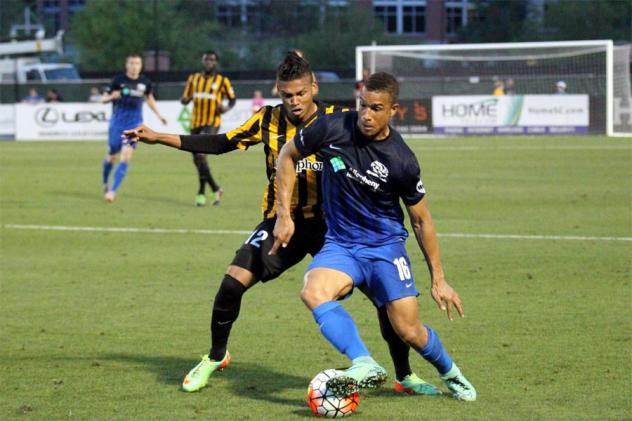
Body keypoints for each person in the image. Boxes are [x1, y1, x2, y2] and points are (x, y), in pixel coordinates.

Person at [123, 53, 438, 397]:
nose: (295, 102)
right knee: (231, 284)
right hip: (281, 224)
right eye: (288, 95)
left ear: (313, 88)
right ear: (279, 92)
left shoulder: (339, 120)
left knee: (385, 300)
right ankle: (216, 356)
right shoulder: (266, 120)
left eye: (301, 93)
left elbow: (381, 150)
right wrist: (160, 136)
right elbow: (221, 143)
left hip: (335, 229)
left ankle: (404, 374)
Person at [271, 72, 477, 401]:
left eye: (376, 108)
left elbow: (421, 220)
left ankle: (450, 372)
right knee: (313, 290)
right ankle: (363, 362)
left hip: (385, 248)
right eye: (363, 106)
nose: (366, 115)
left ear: (393, 109)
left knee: (409, 331)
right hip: (341, 245)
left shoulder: (402, 160)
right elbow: (287, 155)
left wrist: (439, 279)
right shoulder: (332, 127)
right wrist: (283, 214)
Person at [101, 53, 167, 203]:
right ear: (127, 65)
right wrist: (112, 97)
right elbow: (103, 99)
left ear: (141, 65)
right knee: (111, 155)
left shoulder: (145, 82)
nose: (134, 66)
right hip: (117, 124)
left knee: (125, 157)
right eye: (131, 63)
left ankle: (112, 191)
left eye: (137, 63)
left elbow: (149, 98)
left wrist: (159, 115)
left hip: (135, 125)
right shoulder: (118, 80)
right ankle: (105, 183)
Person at [181, 50, 235, 207]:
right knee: (197, 159)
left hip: (212, 122)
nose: (208, 62)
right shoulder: (193, 79)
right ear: (202, 61)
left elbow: (232, 100)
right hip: (196, 122)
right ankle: (215, 188)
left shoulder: (222, 81)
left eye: (211, 60)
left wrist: (226, 108)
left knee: (201, 154)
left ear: (216, 62)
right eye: (206, 59)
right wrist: (184, 100)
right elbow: (185, 98)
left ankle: (201, 192)